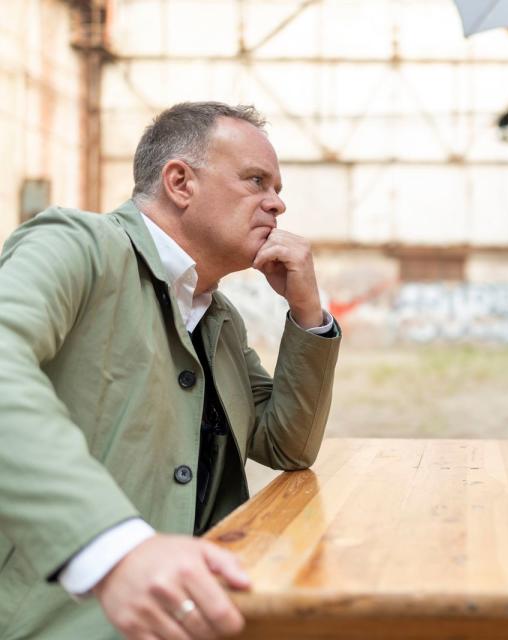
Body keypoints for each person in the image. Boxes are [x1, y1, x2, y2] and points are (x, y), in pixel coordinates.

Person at [0, 102, 340, 639]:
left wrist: (308, 314)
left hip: (198, 613)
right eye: (256, 181)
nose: (277, 204)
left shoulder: (216, 317)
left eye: (277, 189)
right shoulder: (76, 246)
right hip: (59, 621)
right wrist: (113, 549)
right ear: (180, 182)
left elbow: (285, 446)